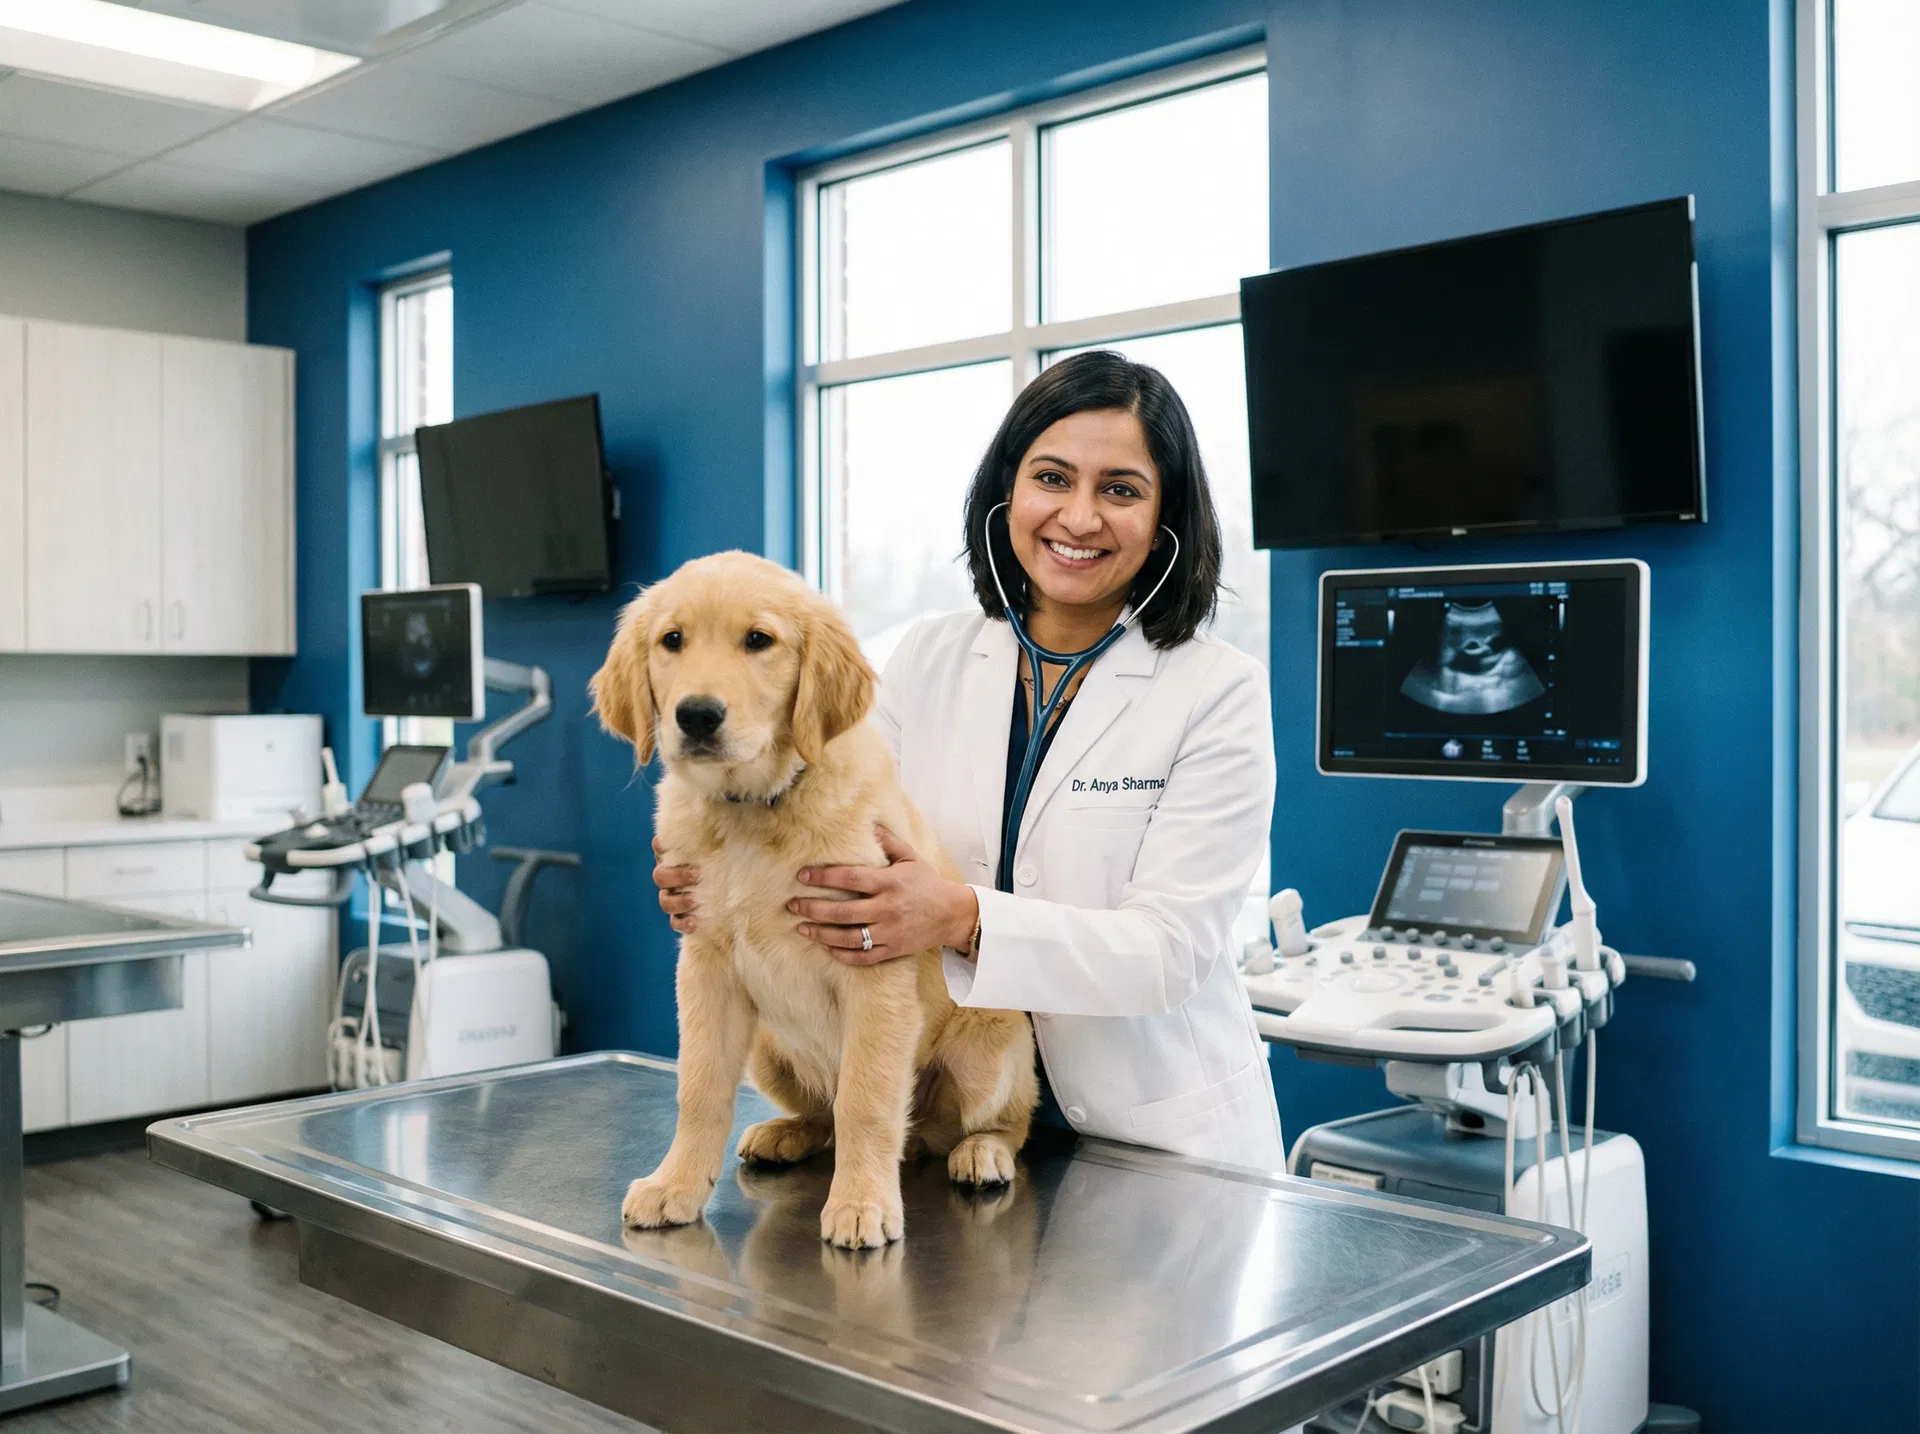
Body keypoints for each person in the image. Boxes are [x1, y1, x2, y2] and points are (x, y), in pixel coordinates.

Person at [655, 351, 1283, 1168]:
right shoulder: (928, 657)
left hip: (1154, 1136)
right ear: (1007, 492)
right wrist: (717, 863)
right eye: (1052, 478)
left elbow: (1168, 953)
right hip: (938, 1108)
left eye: (1120, 490)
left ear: (1168, 518)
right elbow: (824, 813)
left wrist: (961, 917)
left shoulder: (1217, 689)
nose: (1080, 517)